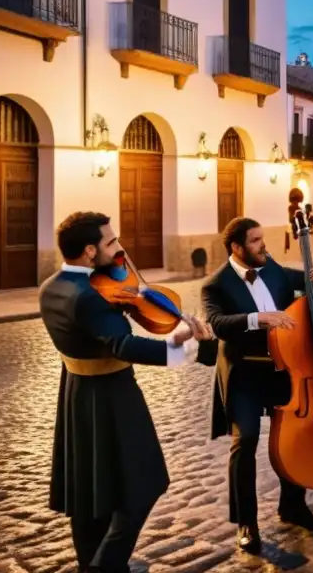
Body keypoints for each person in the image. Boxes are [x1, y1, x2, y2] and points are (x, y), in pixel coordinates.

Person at [40, 211, 212, 572]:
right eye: (111, 242)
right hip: (112, 397)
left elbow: (98, 340)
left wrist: (173, 334)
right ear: (89, 251)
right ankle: (105, 566)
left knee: (90, 493)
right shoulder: (89, 296)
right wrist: (182, 350)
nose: (120, 250)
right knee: (146, 485)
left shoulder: (52, 286)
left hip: (75, 394)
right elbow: (120, 344)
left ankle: (91, 562)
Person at [202, 217, 313, 556]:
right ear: (237, 248)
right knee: (245, 439)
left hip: (285, 370)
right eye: (255, 241)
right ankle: (246, 523)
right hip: (245, 373)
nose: (263, 245)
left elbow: (309, 282)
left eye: (262, 238)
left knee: (297, 434)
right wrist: (259, 318)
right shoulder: (216, 285)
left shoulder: (272, 268)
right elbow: (218, 324)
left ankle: (293, 507)